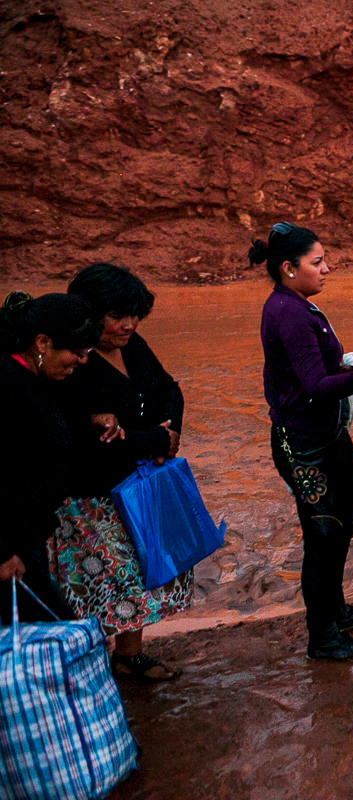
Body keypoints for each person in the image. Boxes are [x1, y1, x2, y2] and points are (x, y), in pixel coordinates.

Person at [48, 264, 190, 680]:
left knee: (140, 571)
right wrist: (155, 441)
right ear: (90, 313)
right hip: (91, 498)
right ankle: (96, 660)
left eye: (134, 315)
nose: (128, 324)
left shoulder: (133, 345)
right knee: (107, 579)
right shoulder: (73, 362)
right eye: (118, 316)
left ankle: (129, 656)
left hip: (137, 483)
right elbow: (90, 440)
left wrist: (171, 427)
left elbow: (170, 388)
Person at [255, 221, 353, 661]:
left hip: (324, 433)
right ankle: (322, 636)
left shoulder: (295, 306)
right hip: (303, 441)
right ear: (289, 268)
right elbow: (313, 385)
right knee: (323, 532)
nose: (327, 268)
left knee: (345, 515)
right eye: (317, 262)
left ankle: (335, 609)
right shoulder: (289, 314)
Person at [0, 291, 99, 625]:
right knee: (56, 637)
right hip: (12, 548)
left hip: (27, 539)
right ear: (42, 343)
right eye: (76, 352)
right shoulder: (8, 386)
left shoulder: (34, 380)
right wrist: (3, 551)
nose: (82, 361)